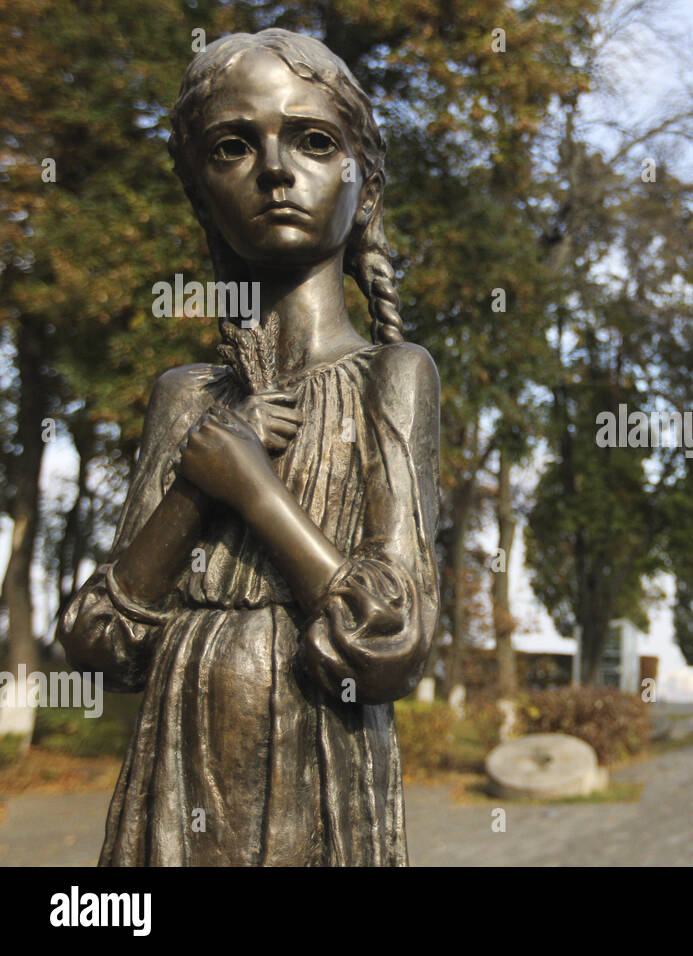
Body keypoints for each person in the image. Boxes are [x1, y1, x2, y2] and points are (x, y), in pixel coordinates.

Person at [57, 30, 440, 866]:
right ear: (200, 194)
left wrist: (253, 491)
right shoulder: (186, 396)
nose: (275, 169)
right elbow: (97, 642)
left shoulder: (393, 378)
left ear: (364, 186)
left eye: (312, 139)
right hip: (175, 764)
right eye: (234, 146)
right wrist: (195, 492)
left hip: (320, 757)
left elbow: (391, 646)